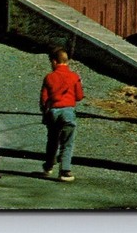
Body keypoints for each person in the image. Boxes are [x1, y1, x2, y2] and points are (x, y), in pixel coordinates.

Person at [39, 47, 84, 181]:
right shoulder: (74, 77)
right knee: (67, 142)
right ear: (67, 61)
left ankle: (49, 166)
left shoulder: (49, 77)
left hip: (53, 112)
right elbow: (79, 96)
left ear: (54, 61)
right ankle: (65, 170)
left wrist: (44, 112)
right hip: (68, 112)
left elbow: (44, 99)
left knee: (52, 140)